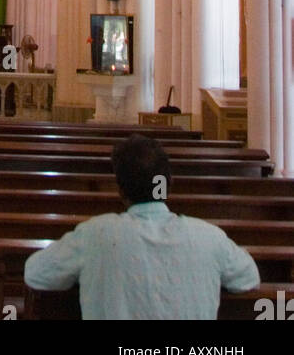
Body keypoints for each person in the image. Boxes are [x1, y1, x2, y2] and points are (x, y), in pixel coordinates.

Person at [24, 134, 260, 320]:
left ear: (120, 190)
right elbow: (248, 277)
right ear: (169, 183)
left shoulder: (96, 234)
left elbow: (36, 273)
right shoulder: (209, 238)